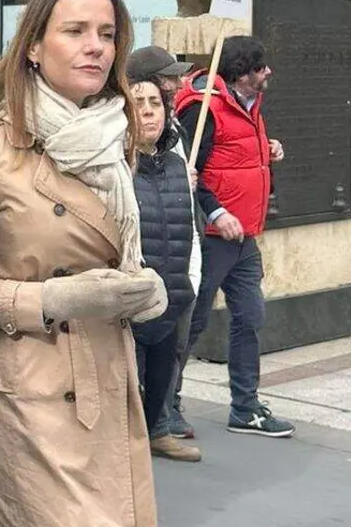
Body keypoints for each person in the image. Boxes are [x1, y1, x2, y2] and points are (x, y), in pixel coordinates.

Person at [0, 0, 166, 527]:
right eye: (75, 30)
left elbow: (107, 254)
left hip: (109, 375)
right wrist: (54, 299)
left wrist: (139, 287)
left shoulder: (116, 140)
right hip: (28, 389)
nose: (96, 46)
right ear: (34, 46)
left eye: (107, 33)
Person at [174, 35, 294, 438]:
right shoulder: (203, 110)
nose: (268, 72)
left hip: (244, 235)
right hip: (212, 234)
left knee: (250, 317)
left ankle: (245, 407)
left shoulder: (250, 103)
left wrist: (268, 150)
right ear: (242, 74)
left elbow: (235, 157)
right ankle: (165, 405)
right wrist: (216, 211)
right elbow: (188, 171)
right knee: (193, 321)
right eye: (260, 67)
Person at [127, 47, 199, 440]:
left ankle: (160, 428)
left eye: (156, 103)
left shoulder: (174, 159)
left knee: (161, 383)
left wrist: (189, 281)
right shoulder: (114, 163)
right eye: (139, 104)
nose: (150, 111)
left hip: (173, 292)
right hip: (133, 302)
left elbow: (186, 222)